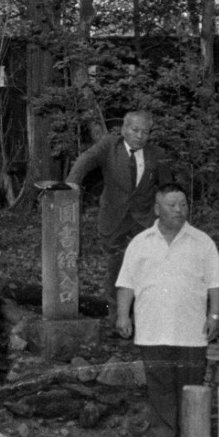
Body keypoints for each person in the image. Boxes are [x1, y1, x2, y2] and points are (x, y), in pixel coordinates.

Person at [115, 185, 219, 437]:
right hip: (152, 327)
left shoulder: (203, 242)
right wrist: (123, 315)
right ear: (157, 208)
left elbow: (216, 284)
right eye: (172, 205)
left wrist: (215, 315)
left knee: (190, 385)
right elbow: (126, 284)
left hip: (191, 329)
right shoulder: (140, 243)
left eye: (183, 204)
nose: (179, 210)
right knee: (160, 384)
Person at [66, 110, 177, 307]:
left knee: (146, 268)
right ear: (125, 129)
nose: (140, 136)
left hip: (144, 220)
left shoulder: (157, 155)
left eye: (145, 132)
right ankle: (116, 317)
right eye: (135, 130)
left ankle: (144, 314)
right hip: (113, 218)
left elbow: (167, 188)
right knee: (116, 268)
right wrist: (72, 182)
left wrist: (170, 218)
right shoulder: (109, 146)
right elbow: (85, 160)